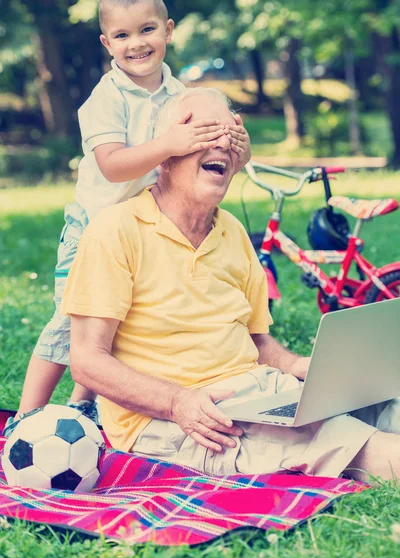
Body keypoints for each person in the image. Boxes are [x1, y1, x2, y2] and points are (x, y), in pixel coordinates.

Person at [60, 87, 400, 483]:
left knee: (388, 398)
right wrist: (177, 402)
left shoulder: (233, 232)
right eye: (205, 130)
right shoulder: (115, 230)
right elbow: (86, 361)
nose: (222, 139)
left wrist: (301, 368)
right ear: (165, 154)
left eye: (230, 130)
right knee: (358, 444)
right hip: (182, 422)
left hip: (261, 393)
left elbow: (256, 341)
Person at [4, 0, 251, 437]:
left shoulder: (180, 93)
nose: (136, 44)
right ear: (106, 43)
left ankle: (84, 409)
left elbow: (218, 155)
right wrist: (167, 143)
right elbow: (113, 167)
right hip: (93, 227)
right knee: (71, 326)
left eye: (147, 30)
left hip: (143, 230)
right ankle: (24, 418)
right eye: (122, 36)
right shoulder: (106, 99)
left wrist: (239, 144)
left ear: (169, 30)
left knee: (122, 325)